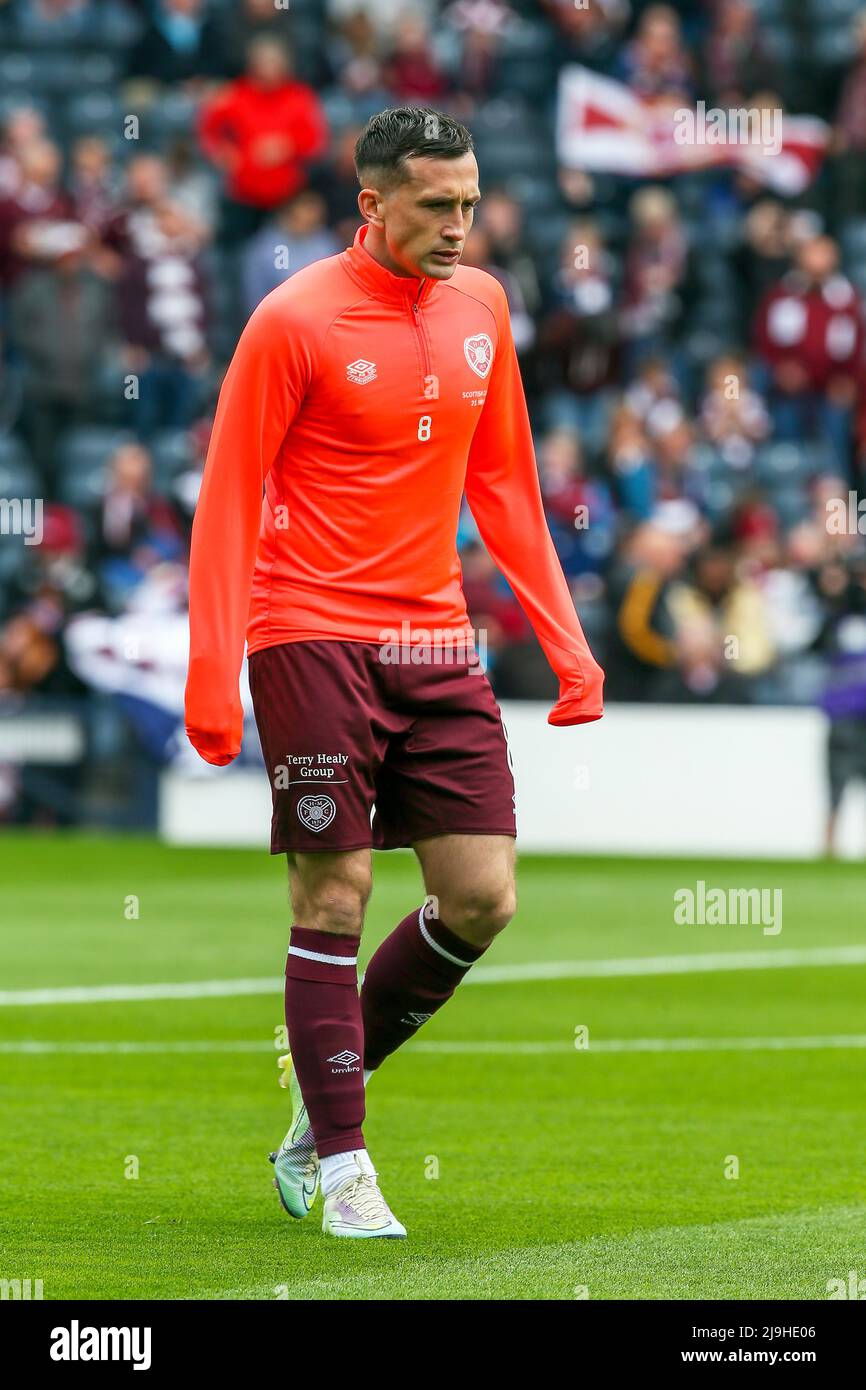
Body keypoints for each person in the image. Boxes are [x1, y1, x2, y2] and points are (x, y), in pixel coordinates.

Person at [184, 106, 604, 1240]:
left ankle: (315, 1118)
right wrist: (211, 676)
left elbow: (505, 484)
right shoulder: (291, 321)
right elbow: (226, 498)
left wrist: (564, 643)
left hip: (431, 635)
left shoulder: (483, 307)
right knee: (336, 891)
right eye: (436, 205)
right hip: (308, 627)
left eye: (469, 202)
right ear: (372, 204)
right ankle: (346, 1162)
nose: (460, 225)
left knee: (481, 895)